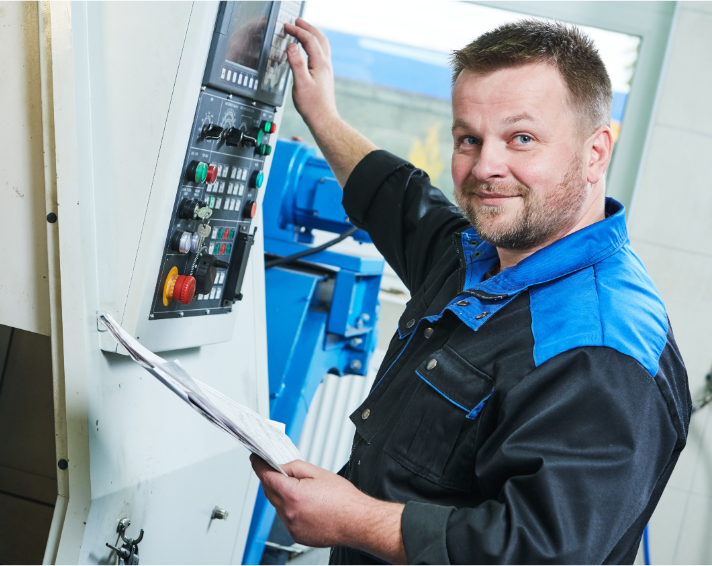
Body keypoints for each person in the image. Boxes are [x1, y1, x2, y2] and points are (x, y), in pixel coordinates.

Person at [250, 17, 692, 565]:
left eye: (521, 139)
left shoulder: (599, 350)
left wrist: (352, 519)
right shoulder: (480, 255)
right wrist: (321, 113)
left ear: (596, 153)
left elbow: (540, 554)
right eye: (469, 139)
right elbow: (399, 201)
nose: (485, 166)